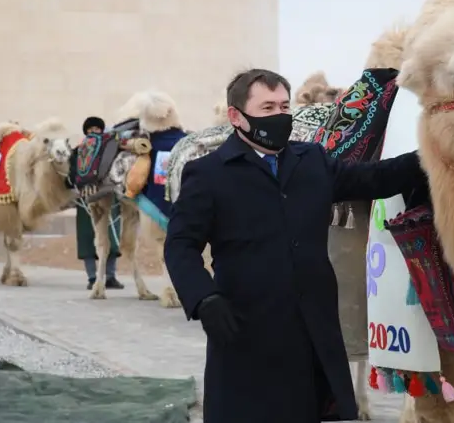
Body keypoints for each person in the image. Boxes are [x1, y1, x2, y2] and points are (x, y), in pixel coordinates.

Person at [163, 68, 431, 423]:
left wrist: (434, 153)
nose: (278, 116)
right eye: (267, 108)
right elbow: (180, 244)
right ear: (236, 117)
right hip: (246, 329)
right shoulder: (209, 173)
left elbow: (375, 179)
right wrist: (203, 297)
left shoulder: (312, 161)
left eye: (283, 107)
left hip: (312, 332)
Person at [74, 116, 123, 290]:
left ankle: (105, 276)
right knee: (95, 239)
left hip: (97, 197)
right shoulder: (83, 150)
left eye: (97, 129)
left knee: (106, 238)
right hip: (96, 198)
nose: (94, 132)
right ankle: (97, 277)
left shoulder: (84, 149)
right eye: (91, 129)